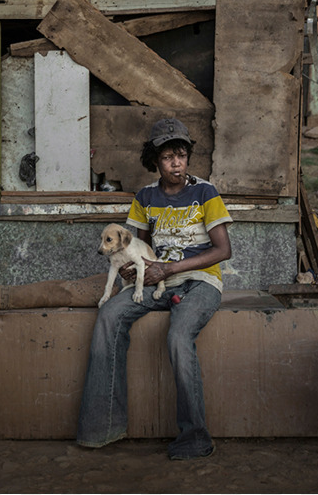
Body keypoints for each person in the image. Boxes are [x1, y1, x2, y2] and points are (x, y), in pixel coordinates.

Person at [77, 117, 233, 459]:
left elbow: (223, 250)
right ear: (155, 162)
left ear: (188, 156)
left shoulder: (205, 192)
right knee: (109, 314)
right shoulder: (145, 197)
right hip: (159, 281)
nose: (175, 162)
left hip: (201, 282)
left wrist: (171, 267)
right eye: (166, 157)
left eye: (181, 154)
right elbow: (137, 249)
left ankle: (195, 437)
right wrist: (134, 273)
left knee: (178, 337)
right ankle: (102, 427)